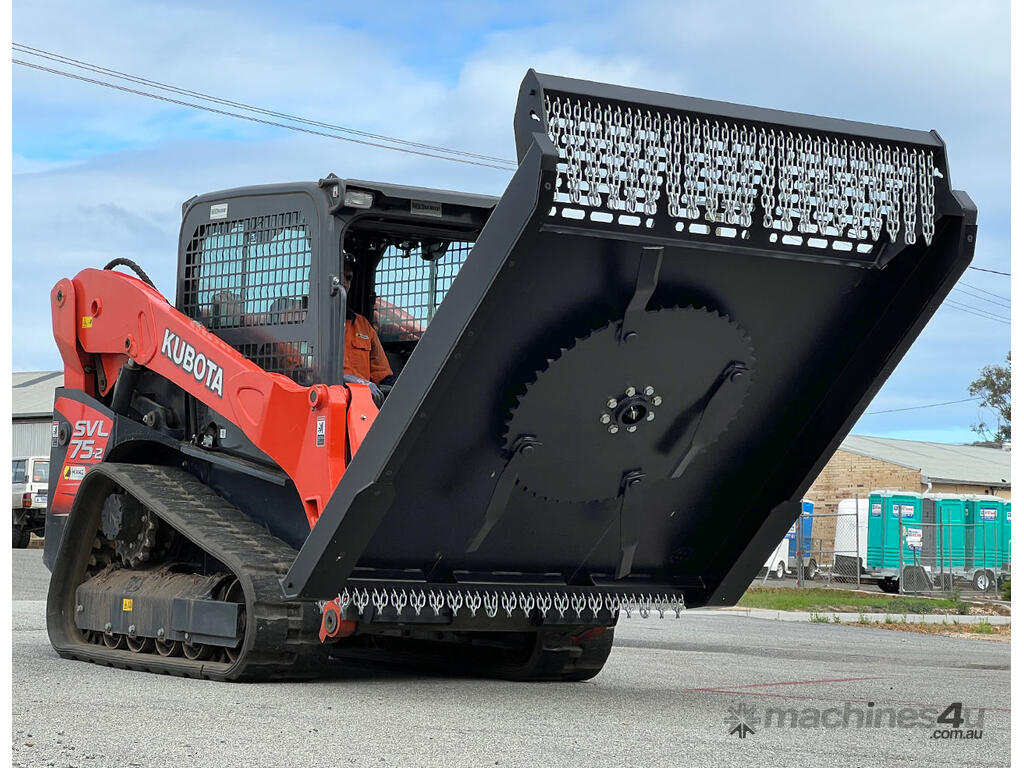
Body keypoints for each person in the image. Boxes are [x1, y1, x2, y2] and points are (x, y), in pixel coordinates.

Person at [343, 256, 394, 387]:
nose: (344, 283)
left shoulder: (363, 326)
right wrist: (344, 379)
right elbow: (302, 372)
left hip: (360, 398)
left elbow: (382, 374)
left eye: (348, 278)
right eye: (338, 276)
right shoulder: (303, 323)